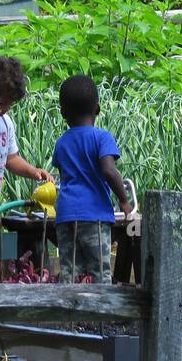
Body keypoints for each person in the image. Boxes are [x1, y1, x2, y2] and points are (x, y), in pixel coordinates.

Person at [51, 74, 132, 283]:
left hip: (66, 215)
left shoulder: (61, 143)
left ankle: (69, 314)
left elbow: (65, 175)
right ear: (97, 109)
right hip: (93, 215)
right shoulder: (102, 137)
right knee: (100, 272)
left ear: (62, 112)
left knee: (69, 272)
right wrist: (124, 200)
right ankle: (103, 315)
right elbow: (109, 170)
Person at [0, 55, 50, 225]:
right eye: (1, 103)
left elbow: (11, 158)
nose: (5, 109)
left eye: (9, 104)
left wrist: (33, 172)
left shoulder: (5, 123)